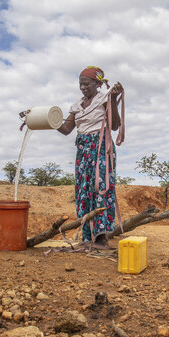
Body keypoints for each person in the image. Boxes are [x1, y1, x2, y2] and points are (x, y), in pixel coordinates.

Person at [58, 66, 125, 246]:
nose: (83, 87)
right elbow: (66, 130)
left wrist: (111, 99)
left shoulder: (104, 99)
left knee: (100, 187)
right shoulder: (77, 106)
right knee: (84, 191)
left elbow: (115, 125)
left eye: (86, 84)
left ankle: (102, 236)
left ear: (97, 83)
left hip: (100, 146)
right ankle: (87, 236)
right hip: (83, 149)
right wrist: (50, 119)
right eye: (80, 84)